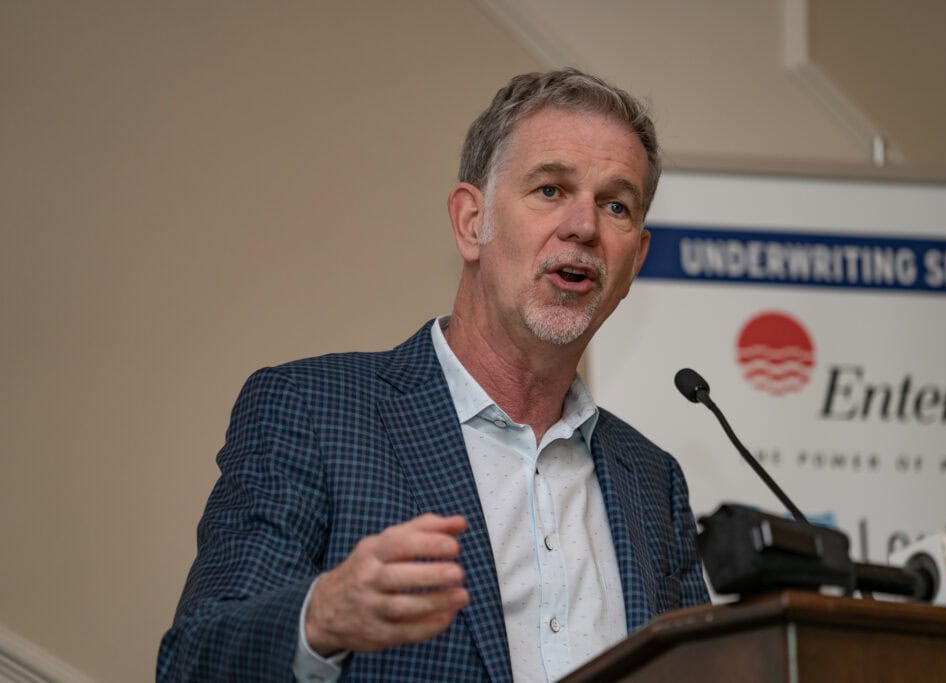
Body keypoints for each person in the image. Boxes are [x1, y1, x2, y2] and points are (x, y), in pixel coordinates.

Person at [158, 68, 709, 682]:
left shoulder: (654, 482)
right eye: (551, 189)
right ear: (472, 223)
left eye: (615, 205)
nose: (584, 226)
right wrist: (320, 621)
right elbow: (193, 663)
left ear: (634, 261)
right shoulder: (312, 412)